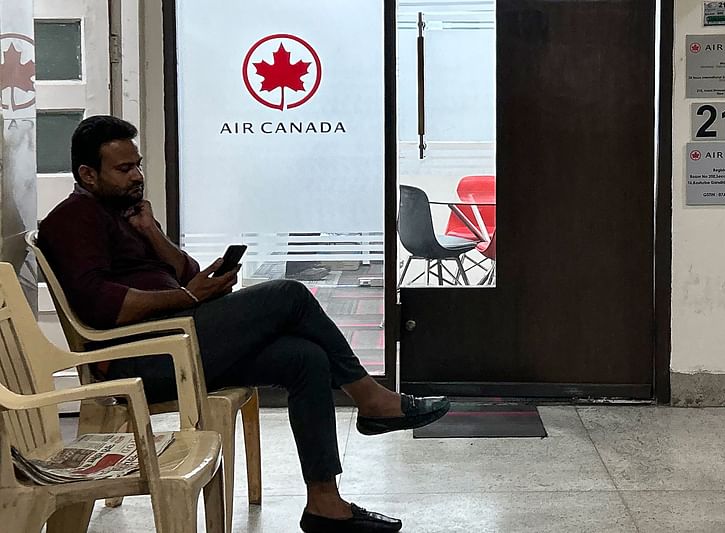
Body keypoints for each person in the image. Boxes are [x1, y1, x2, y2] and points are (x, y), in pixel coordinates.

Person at [38, 115, 450, 533]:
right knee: (288, 294)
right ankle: (372, 401)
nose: (138, 176)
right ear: (87, 174)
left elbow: (186, 271)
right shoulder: (74, 218)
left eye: (138, 164)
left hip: (178, 337)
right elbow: (100, 306)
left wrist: (152, 234)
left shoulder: (127, 213)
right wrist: (190, 297)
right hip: (146, 359)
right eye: (124, 169)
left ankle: (325, 504)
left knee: (305, 359)